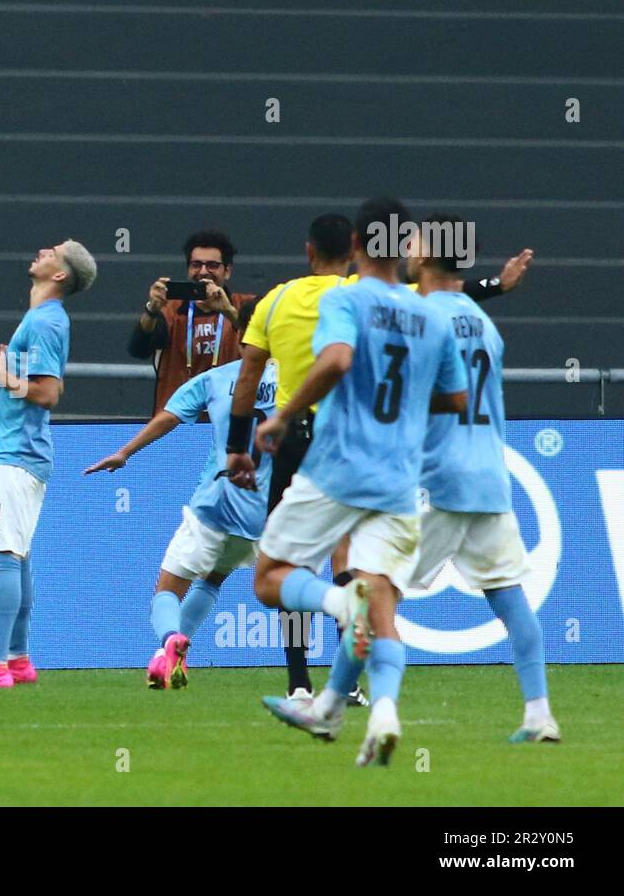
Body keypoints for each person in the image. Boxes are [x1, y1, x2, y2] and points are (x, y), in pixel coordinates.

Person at [228, 209, 533, 703]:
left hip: (309, 440)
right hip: (386, 453)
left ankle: (300, 680)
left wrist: (238, 445)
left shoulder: (281, 299)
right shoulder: (401, 302)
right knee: (359, 570)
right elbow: (445, 298)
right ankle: (363, 697)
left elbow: (248, 377)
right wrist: (496, 283)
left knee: (284, 568)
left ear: (315, 251)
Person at [249, 197, 469, 767]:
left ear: (354, 247)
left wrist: (285, 413)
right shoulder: (431, 316)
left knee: (270, 578)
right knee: (380, 608)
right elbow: (458, 398)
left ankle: (335, 605)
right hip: (398, 483)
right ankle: (372, 711)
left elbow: (339, 361)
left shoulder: (346, 298)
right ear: (404, 250)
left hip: (338, 469)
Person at [406, 221, 557, 742]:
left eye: (415, 242)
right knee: (509, 594)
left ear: (429, 258)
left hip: (438, 477)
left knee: (374, 588)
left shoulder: (421, 318)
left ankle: (335, 704)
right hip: (489, 475)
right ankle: (539, 714)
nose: (407, 248)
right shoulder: (482, 323)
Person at [85, 300, 276, 690]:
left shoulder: (217, 379)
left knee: (166, 591)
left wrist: (125, 451)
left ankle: (171, 640)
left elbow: (169, 416)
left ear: (240, 334)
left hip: (218, 501)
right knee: (214, 578)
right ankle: (173, 659)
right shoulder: (295, 381)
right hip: (262, 513)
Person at [0, 240, 97, 689]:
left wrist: (5, 377)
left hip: (17, 454)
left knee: (3, 556)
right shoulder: (42, 319)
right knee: (19, 555)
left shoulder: (47, 322)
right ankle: (17, 660)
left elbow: (49, 394)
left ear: (60, 275)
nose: (44, 250)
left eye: (55, 251)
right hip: (24, 453)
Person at [128, 229, 256, 414]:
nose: (203, 272)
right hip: (176, 422)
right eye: (196, 265)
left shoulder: (246, 305)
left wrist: (228, 311)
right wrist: (152, 309)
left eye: (212, 265)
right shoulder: (169, 311)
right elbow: (138, 349)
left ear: (227, 271)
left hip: (231, 419)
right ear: (188, 269)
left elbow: (263, 346)